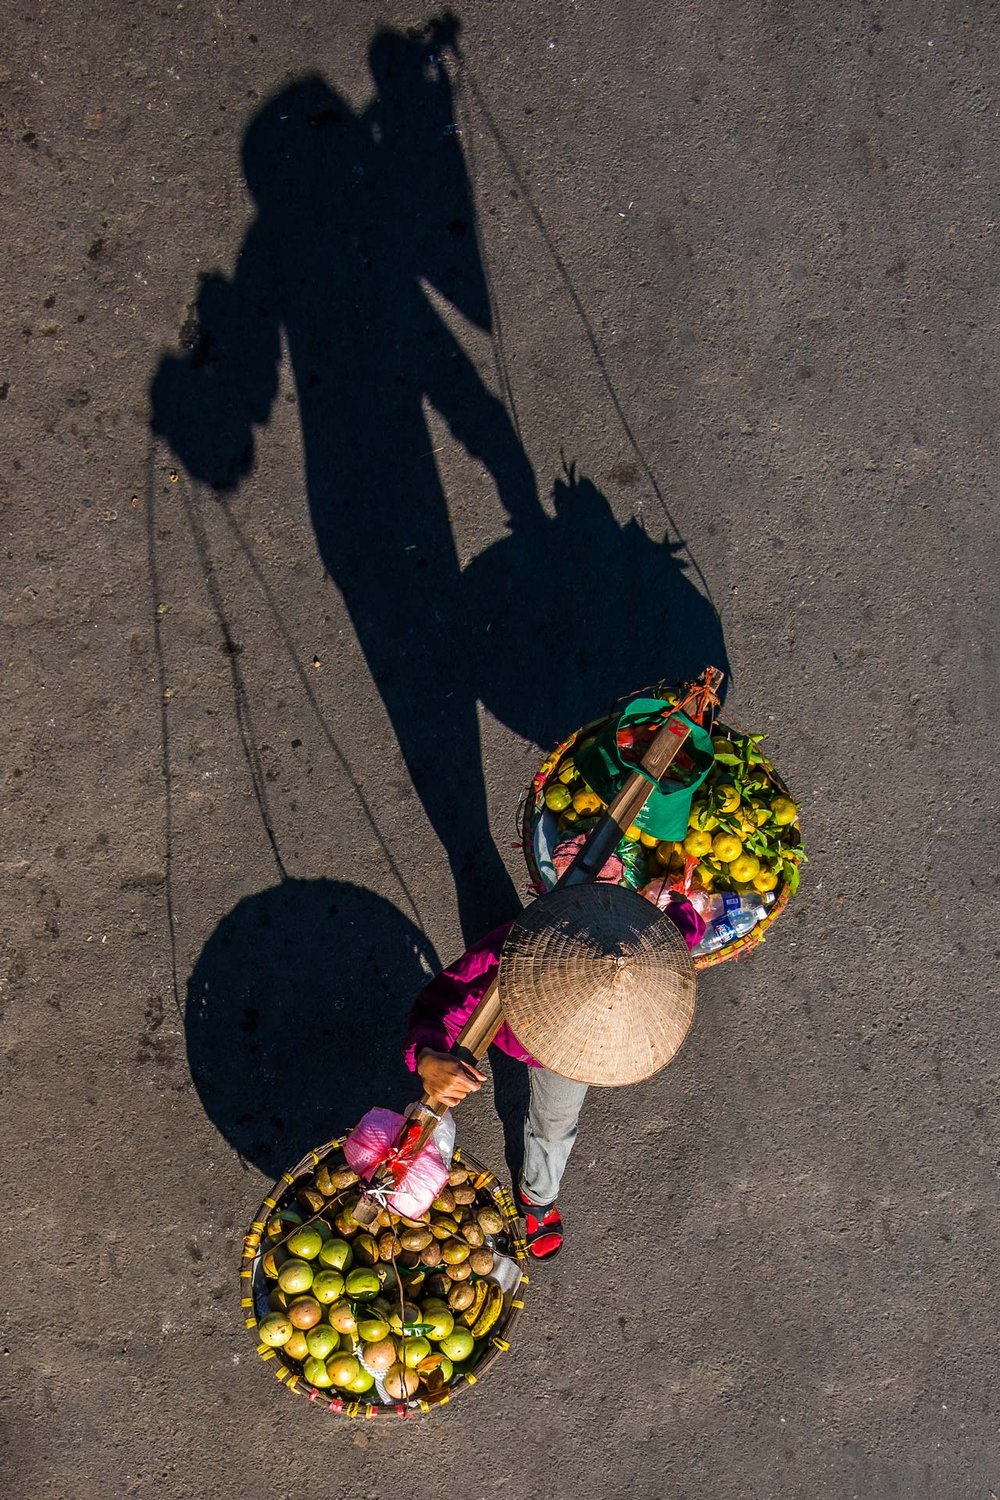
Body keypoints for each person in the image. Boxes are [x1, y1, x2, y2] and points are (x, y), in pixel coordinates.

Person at [404, 893, 705, 1260]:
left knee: (557, 1122)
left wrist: (691, 909)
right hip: (512, 1028)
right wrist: (427, 1058)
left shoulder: (648, 955)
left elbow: (677, 934)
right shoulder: (503, 964)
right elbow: (437, 1009)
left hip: (571, 1061)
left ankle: (538, 1194)